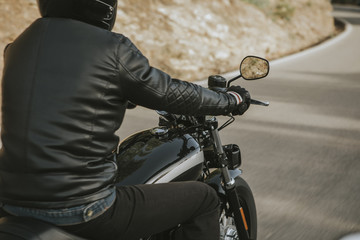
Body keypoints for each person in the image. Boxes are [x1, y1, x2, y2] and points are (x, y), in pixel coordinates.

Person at [0, 0, 250, 239]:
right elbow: (165, 91)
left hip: (10, 201)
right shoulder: (112, 47)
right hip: (82, 208)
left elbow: (58, 85)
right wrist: (231, 100)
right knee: (204, 199)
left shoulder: (20, 45)